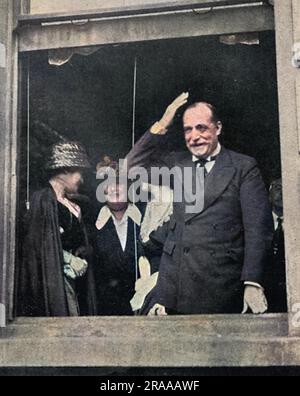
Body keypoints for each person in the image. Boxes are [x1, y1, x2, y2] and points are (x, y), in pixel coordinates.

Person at [126, 93, 274, 315]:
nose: (194, 136)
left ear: (218, 128)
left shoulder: (243, 167)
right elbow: (131, 166)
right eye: (188, 129)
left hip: (224, 287)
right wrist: (163, 123)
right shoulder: (177, 164)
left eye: (201, 128)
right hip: (175, 289)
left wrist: (252, 282)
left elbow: (258, 230)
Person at [18, 141, 97, 317]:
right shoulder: (42, 200)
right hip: (53, 282)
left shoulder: (74, 205)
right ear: (66, 170)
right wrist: (68, 259)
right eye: (79, 173)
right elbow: (36, 245)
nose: (82, 179)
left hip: (76, 282)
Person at [93, 157, 173, 315]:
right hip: (104, 312)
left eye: (120, 184)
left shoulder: (146, 217)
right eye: (109, 185)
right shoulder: (93, 223)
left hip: (142, 308)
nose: (115, 189)